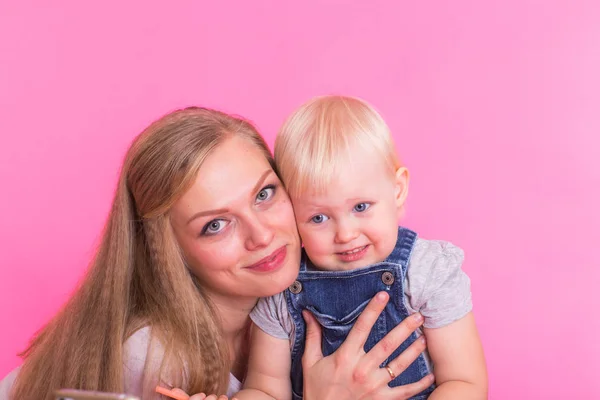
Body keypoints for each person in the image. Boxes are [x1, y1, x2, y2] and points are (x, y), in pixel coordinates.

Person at [0, 107, 433, 400]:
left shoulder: (313, 295)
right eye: (215, 225)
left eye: (265, 193)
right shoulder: (153, 358)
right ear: (169, 250)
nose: (262, 235)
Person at [236, 96, 488, 400]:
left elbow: (465, 383)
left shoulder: (427, 271)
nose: (345, 233)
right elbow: (265, 389)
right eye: (318, 217)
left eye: (361, 206)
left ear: (397, 190)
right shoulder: (282, 291)